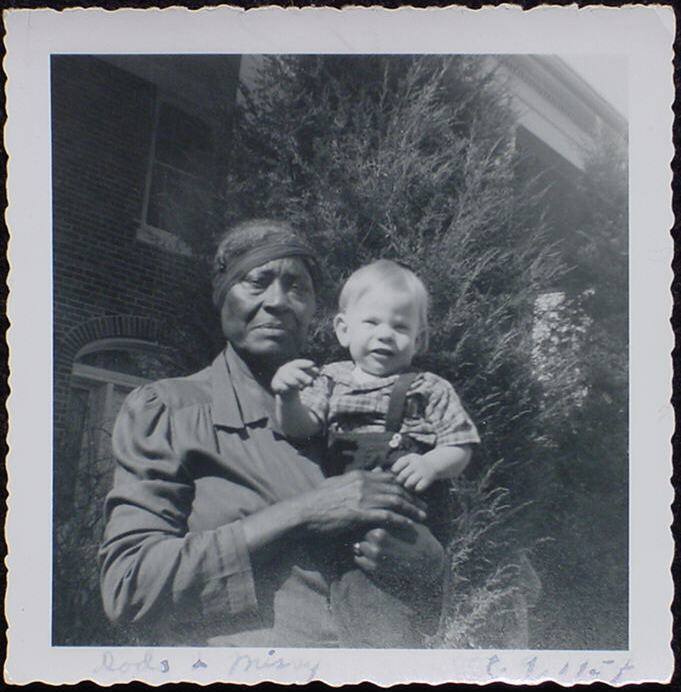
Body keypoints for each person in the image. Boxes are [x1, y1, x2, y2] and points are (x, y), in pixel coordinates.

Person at [99, 220, 445, 647]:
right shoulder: (171, 412)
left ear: (316, 310)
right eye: (257, 281)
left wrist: (428, 563)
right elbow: (129, 588)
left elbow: (425, 603)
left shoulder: (351, 408)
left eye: (297, 287)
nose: (278, 301)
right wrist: (302, 513)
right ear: (223, 294)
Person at [271, 259, 480, 646]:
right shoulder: (330, 379)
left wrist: (431, 462)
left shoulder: (429, 388)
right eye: (372, 323)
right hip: (338, 510)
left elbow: (461, 445)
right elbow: (300, 427)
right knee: (321, 606)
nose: (386, 335)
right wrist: (286, 396)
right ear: (343, 329)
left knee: (379, 617)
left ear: (420, 340)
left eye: (400, 327)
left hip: (396, 518)